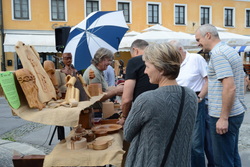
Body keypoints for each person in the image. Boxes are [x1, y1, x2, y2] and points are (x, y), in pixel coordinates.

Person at [124, 43, 198, 167]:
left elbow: (127, 134)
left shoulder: (146, 99)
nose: (145, 71)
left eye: (147, 66)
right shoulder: (191, 96)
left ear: (161, 69)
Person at [195, 24, 246, 167]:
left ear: (208, 35)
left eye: (198, 39)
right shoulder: (229, 51)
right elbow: (239, 80)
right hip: (235, 111)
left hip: (224, 115)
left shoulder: (218, 55)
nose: (198, 43)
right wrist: (200, 97)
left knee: (222, 161)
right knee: (232, 156)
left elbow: (230, 87)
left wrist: (223, 118)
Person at [169, 40, 212, 167]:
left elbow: (208, 80)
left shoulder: (195, 58)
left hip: (195, 101)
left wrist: (199, 97)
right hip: (179, 103)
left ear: (180, 50)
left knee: (196, 143)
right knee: (184, 142)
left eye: (172, 53)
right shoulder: (174, 64)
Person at [117, 39, 158, 125]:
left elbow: (127, 99)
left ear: (135, 50)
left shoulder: (134, 61)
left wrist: (124, 117)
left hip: (142, 110)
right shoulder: (157, 59)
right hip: (159, 108)